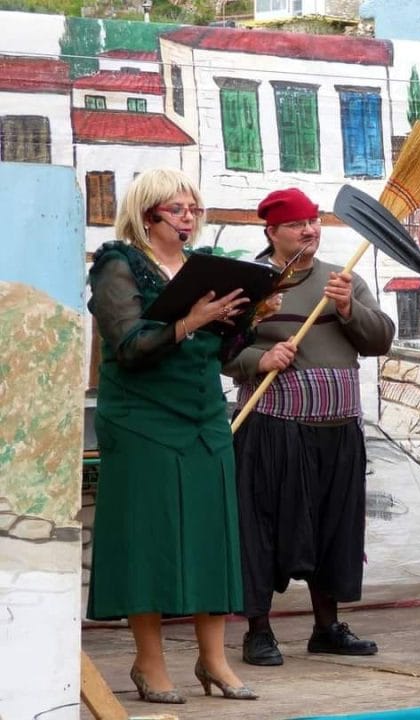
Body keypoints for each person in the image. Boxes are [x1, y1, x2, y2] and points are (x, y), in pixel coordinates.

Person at [87, 168, 256, 703]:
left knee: (212, 535)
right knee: (148, 538)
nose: (188, 219)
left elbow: (220, 352)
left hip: (203, 415)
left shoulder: (201, 268)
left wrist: (246, 317)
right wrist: (191, 320)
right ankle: (149, 663)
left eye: (193, 209)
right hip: (141, 418)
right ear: (147, 214)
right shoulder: (118, 264)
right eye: (177, 209)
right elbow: (129, 347)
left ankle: (214, 660)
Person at [222, 188, 395, 667]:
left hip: (338, 432)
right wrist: (260, 359)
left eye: (313, 220)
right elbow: (220, 352)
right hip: (273, 430)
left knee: (334, 530)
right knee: (261, 532)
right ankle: (258, 631)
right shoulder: (251, 285)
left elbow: (380, 340)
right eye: (297, 223)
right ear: (272, 232)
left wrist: (348, 309)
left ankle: (327, 628)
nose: (309, 230)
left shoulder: (342, 280)